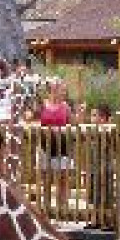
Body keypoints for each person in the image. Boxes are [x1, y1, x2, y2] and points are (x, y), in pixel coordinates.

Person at [38, 78, 74, 208]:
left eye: (62, 89)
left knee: (63, 179)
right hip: (45, 146)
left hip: (63, 146)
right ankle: (46, 209)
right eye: (58, 89)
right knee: (46, 180)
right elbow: (34, 120)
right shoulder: (42, 105)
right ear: (51, 90)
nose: (61, 92)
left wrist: (80, 114)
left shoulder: (66, 107)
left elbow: (73, 124)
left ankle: (62, 209)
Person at [82, 104, 113, 229]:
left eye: (97, 116)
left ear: (104, 118)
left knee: (106, 194)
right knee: (92, 193)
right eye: (93, 115)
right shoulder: (90, 131)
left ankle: (107, 220)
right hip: (92, 166)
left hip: (105, 166)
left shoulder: (109, 130)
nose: (94, 118)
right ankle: (94, 219)